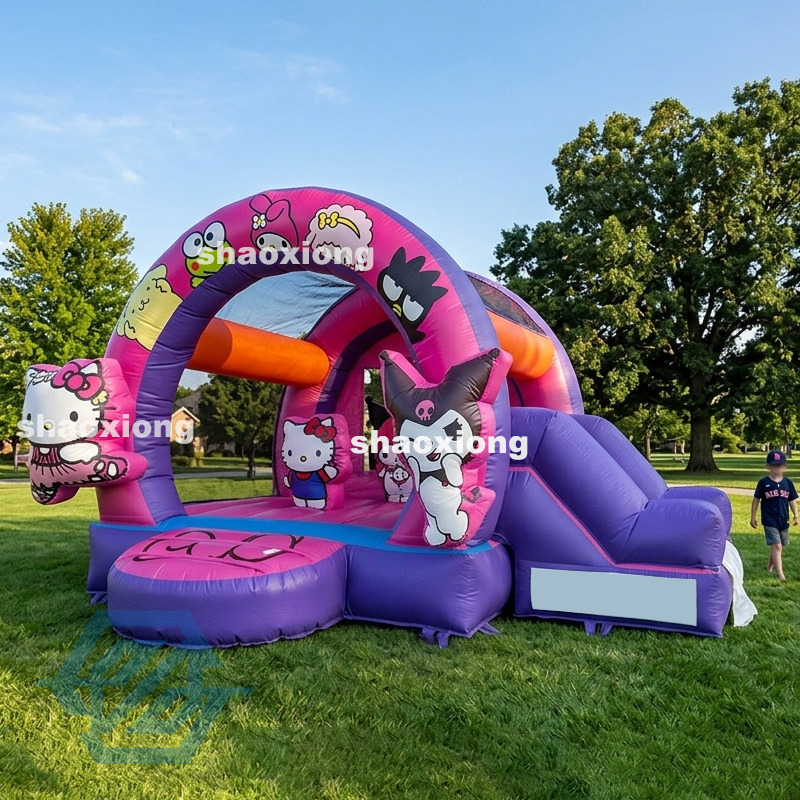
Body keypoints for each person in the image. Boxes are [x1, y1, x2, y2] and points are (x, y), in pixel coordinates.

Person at [750, 449, 798, 581]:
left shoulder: (787, 483)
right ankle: (781, 575)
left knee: (778, 545)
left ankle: (769, 566)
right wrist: (753, 517)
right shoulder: (764, 483)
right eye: (774, 465)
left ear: (785, 467)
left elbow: (792, 500)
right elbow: (756, 500)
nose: (777, 468)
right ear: (768, 467)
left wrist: (796, 515)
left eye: (780, 465)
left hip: (783, 519)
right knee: (777, 546)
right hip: (769, 519)